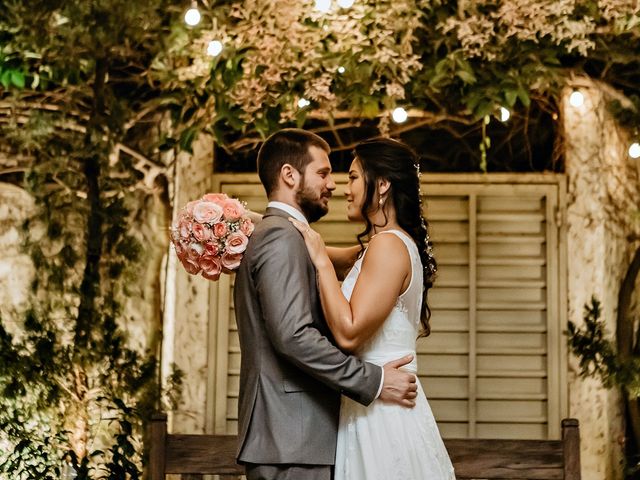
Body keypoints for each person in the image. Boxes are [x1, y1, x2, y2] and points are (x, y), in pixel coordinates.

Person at [233, 129, 419, 480]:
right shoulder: (280, 238)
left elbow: (363, 259)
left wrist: (254, 218)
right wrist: (375, 381)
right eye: (323, 173)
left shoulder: (286, 235)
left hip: (298, 435)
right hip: (291, 434)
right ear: (290, 175)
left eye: (347, 176)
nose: (334, 185)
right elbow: (293, 337)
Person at [290, 137, 456, 480]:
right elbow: (307, 243)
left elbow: (349, 333)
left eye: (352, 177)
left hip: (383, 417)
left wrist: (321, 262)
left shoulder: (388, 246)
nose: (344, 188)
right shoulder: (381, 247)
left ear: (381, 185)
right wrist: (254, 221)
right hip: (371, 406)